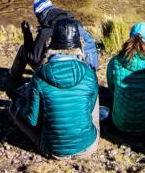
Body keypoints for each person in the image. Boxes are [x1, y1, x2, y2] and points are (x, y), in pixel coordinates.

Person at [9, 18, 100, 159]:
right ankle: (84, 135)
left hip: (52, 150)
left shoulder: (39, 76)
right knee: (92, 94)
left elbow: (31, 119)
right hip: (87, 148)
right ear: (78, 44)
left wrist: (18, 101)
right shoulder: (89, 74)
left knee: (13, 108)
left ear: (52, 43)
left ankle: (49, 139)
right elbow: (89, 108)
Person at [9, 0, 99, 91]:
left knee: (24, 49)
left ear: (41, 16)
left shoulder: (47, 30)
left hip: (64, 75)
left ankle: (13, 79)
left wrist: (27, 35)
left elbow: (33, 57)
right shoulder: (76, 23)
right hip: (88, 73)